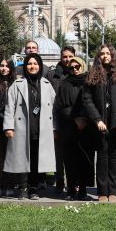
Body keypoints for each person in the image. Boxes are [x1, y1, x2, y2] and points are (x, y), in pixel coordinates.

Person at [82, 44, 116, 202]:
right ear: (98, 57)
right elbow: (87, 99)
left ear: (113, 55)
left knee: (113, 156)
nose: (105, 56)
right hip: (100, 123)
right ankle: (102, 192)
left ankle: (112, 190)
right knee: (102, 157)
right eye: (102, 54)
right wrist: (97, 119)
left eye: (108, 53)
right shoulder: (92, 75)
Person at [3, 53, 56, 199]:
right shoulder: (17, 84)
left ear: (40, 66)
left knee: (36, 159)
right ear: (25, 66)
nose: (32, 66)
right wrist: (9, 126)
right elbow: (10, 106)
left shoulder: (46, 84)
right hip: (22, 127)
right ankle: (22, 188)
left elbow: (54, 108)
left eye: (35, 64)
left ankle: (33, 188)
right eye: (29, 64)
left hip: (41, 128)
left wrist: (54, 128)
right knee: (22, 157)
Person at [54, 56, 93, 200]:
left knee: (84, 159)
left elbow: (93, 103)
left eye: (78, 66)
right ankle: (71, 189)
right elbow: (60, 106)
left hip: (87, 128)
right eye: (72, 67)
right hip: (68, 127)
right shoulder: (64, 84)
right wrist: (75, 118)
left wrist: (85, 119)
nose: (75, 69)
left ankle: (83, 189)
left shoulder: (90, 82)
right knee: (69, 161)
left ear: (83, 66)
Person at [46, 45, 76, 193]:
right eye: (65, 57)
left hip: (74, 118)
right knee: (58, 152)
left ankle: (73, 181)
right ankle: (59, 180)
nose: (67, 60)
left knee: (73, 152)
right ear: (60, 57)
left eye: (70, 57)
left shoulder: (77, 72)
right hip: (57, 117)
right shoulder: (52, 75)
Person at [0, 58, 15, 197]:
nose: (4, 68)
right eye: (2, 66)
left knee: (11, 155)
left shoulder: (15, 83)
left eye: (7, 66)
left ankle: (10, 184)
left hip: (12, 124)